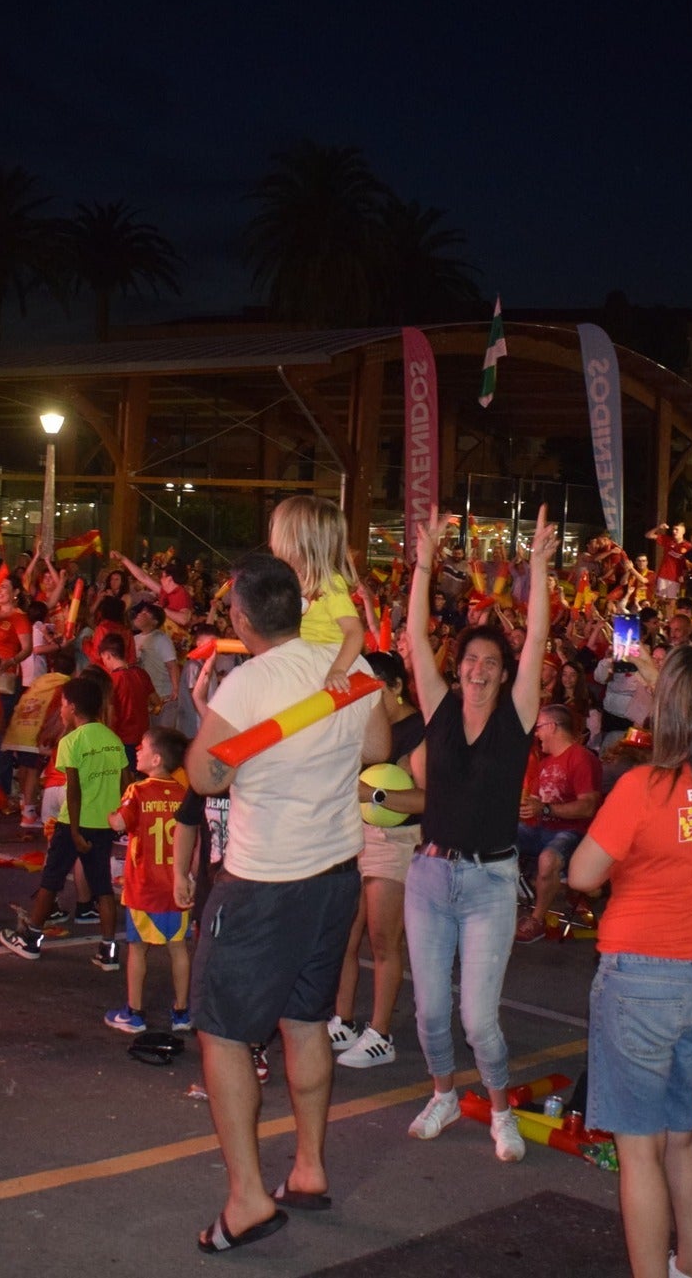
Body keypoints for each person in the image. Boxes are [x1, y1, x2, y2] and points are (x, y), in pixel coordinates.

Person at [178, 551, 390, 1254]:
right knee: (305, 1021)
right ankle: (308, 1167)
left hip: (264, 883)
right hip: (334, 875)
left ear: (241, 618)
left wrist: (228, 739)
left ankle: (246, 1200)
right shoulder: (344, 669)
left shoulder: (246, 685)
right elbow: (378, 747)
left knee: (225, 1032)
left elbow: (205, 776)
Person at [566, 644, 692, 1278]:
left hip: (641, 978)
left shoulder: (642, 787)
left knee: (637, 1150)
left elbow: (584, 874)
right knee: (683, 1138)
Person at [399, 505, 554, 1163]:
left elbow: (540, 639)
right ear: (457, 666)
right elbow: (411, 633)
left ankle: (498, 1107)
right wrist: (425, 560)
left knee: (476, 1017)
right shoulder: (436, 709)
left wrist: (541, 568)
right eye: (471, 659)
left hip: (490, 879)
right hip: (430, 874)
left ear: (503, 671)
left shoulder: (515, 719)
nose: (480, 667)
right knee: (431, 1013)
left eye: (492, 660)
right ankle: (441, 1092)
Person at [331, 650, 425, 1069]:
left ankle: (380, 1033)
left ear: (395, 686)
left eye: (372, 692)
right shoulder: (367, 726)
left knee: (383, 938)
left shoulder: (420, 730)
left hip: (395, 838)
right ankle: (344, 1018)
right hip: (356, 835)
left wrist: (376, 796)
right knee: (345, 933)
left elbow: (429, 798)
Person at [0, 674, 126, 958]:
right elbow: (123, 782)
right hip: (103, 823)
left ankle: (31, 937)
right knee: (103, 887)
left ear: (72, 706)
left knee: (51, 880)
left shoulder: (72, 741)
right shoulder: (112, 739)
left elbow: (75, 788)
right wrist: (117, 816)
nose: (61, 709)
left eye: (63, 704)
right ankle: (108, 949)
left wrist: (75, 832)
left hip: (74, 823)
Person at [103, 726, 193, 1035]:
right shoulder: (184, 794)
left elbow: (118, 821)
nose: (137, 751)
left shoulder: (138, 791)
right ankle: (181, 1011)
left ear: (155, 759)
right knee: (179, 948)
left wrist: (109, 812)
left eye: (141, 747)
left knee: (138, 949)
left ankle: (135, 1012)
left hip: (145, 887)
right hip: (178, 885)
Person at [514, 703, 604, 941]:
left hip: (573, 831)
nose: (536, 733)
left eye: (539, 727)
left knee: (548, 858)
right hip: (539, 828)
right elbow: (533, 802)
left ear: (553, 727)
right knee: (496, 837)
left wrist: (544, 808)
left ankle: (537, 919)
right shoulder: (545, 764)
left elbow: (587, 806)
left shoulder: (581, 758)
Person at [267, 495, 366, 695]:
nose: (270, 542)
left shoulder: (328, 582)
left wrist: (338, 669)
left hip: (327, 659)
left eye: (277, 533)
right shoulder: (289, 579)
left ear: (296, 541)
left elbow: (354, 632)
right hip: (300, 656)